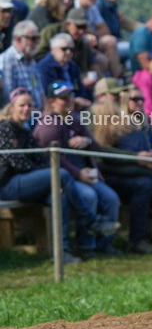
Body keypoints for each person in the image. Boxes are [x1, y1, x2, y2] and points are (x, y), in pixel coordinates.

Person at [0, 87, 117, 264]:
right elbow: (19, 164)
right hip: (7, 185)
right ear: (11, 107)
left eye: (30, 105)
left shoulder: (25, 130)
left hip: (27, 183)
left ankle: (62, 252)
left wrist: (47, 178)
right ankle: (91, 220)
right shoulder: (4, 128)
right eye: (22, 105)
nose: (26, 109)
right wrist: (48, 177)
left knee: (59, 196)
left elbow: (40, 159)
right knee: (59, 174)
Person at [33, 81, 122, 260]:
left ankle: (105, 244)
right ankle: (85, 246)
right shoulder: (49, 125)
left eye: (70, 96)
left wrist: (86, 142)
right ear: (52, 102)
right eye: (63, 98)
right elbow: (54, 159)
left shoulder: (74, 119)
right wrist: (78, 173)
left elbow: (96, 148)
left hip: (85, 174)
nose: (68, 101)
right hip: (66, 178)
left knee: (111, 198)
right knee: (89, 196)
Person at [89, 95, 152, 254]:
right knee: (145, 184)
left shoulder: (121, 130)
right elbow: (105, 160)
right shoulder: (97, 134)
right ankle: (136, 240)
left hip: (126, 171)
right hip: (106, 176)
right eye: (113, 116)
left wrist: (148, 160)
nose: (117, 119)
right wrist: (139, 161)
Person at [0, 20, 46, 109]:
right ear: (19, 39)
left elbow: (40, 92)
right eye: (33, 38)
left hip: (36, 115)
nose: (36, 42)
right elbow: (8, 98)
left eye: (37, 38)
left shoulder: (31, 60)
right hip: (19, 115)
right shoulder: (7, 60)